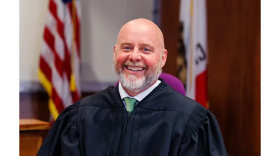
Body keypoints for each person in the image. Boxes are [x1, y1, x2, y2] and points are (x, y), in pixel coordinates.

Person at [37, 18, 228, 156]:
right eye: (127, 47)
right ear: (115, 53)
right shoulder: (79, 118)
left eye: (146, 49)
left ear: (163, 58)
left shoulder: (191, 122)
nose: (134, 57)